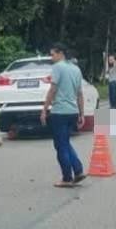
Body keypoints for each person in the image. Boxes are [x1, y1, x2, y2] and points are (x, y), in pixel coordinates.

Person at [40, 43, 86, 188]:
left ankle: (67, 178)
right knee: (65, 142)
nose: (51, 57)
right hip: (72, 112)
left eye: (52, 54)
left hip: (59, 112)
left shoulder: (58, 67)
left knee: (60, 146)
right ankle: (78, 171)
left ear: (60, 54)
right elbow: (80, 94)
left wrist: (44, 109)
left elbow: (52, 90)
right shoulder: (76, 69)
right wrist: (81, 114)